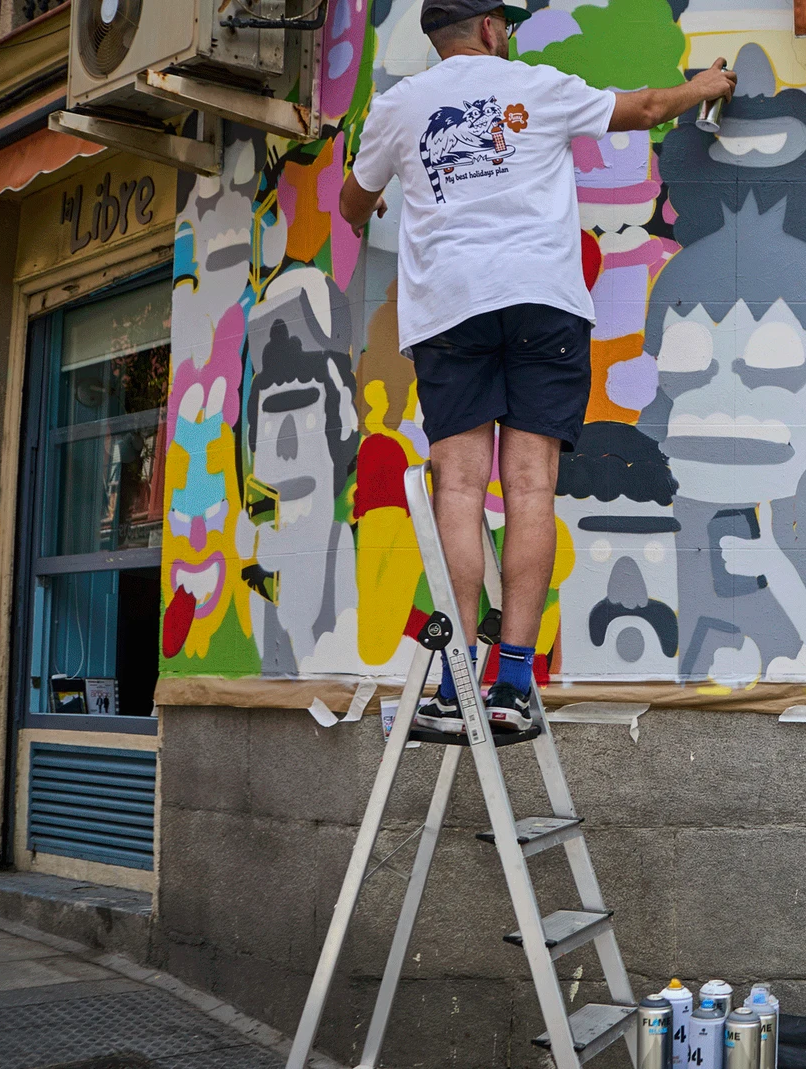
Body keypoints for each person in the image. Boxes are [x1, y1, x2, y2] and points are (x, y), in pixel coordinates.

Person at [339, 0, 733, 732]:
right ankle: (514, 683)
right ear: (491, 28)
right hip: (543, 305)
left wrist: (377, 203)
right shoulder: (537, 86)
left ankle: (456, 685)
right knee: (531, 487)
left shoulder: (399, 107)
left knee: (459, 488)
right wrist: (702, 87)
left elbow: (352, 202)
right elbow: (645, 108)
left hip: (452, 310)